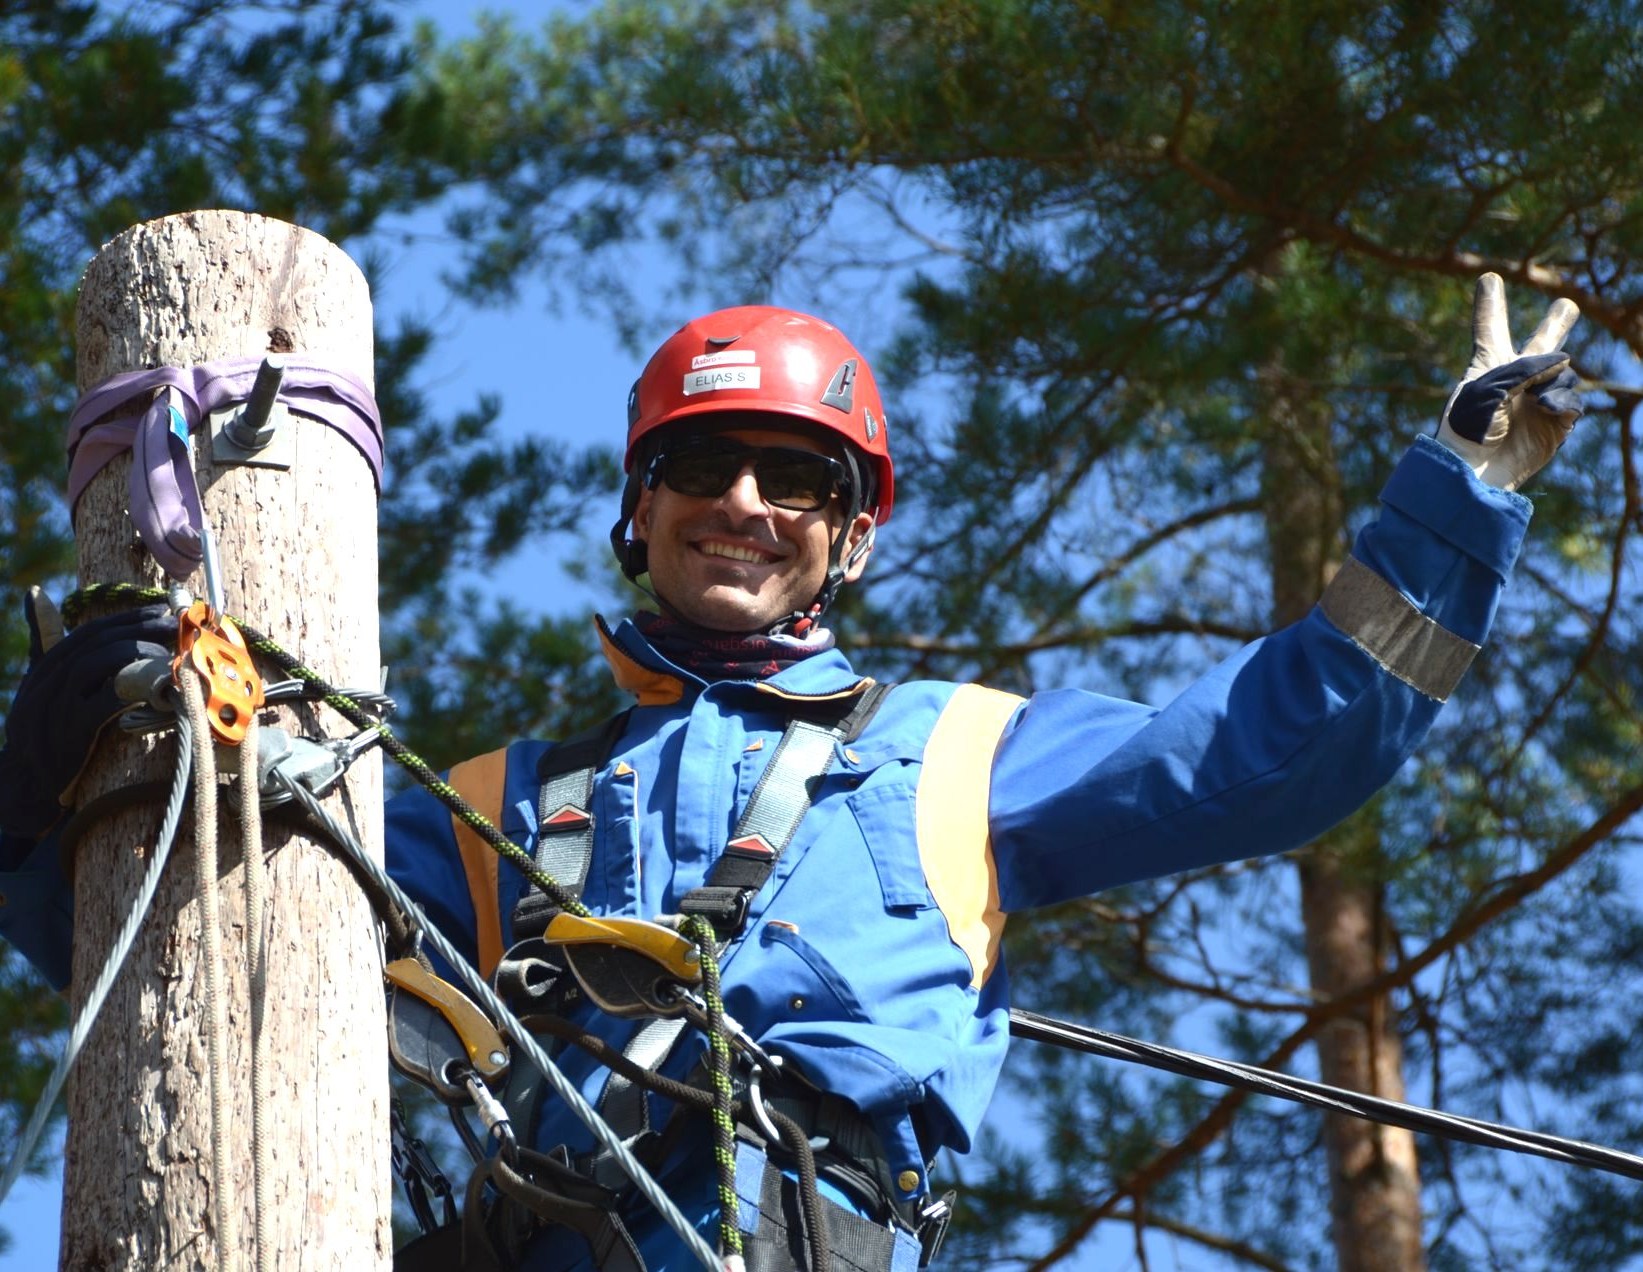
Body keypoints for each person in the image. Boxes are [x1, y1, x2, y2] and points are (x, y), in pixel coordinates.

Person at [0, 278, 1585, 1271]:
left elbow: (1275, 754)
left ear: (853, 529)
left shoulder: (957, 754)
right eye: (700, 466)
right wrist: (45, 777)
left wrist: (1455, 496)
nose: (742, 502)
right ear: (640, 509)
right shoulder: (474, 808)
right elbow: (169, 954)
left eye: (796, 478)